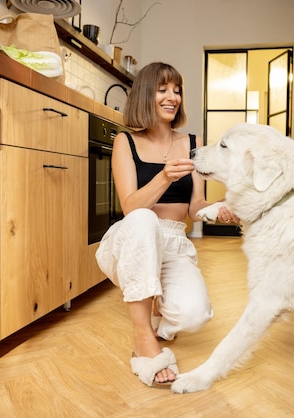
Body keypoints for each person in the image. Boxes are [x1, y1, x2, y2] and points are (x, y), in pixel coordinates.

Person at [95, 62, 239, 388]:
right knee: (144, 218)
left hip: (174, 242)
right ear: (146, 94)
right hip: (132, 238)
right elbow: (130, 207)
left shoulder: (192, 141)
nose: (172, 96)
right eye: (163, 89)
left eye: (176, 90)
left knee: (195, 315)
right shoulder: (125, 142)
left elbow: (196, 207)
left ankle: (157, 302)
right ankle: (144, 339)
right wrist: (163, 177)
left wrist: (221, 209)